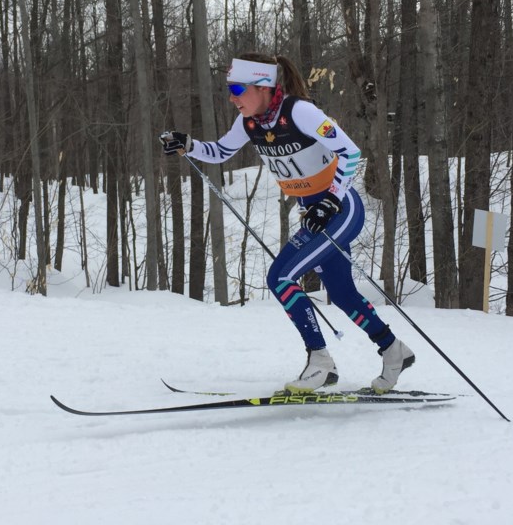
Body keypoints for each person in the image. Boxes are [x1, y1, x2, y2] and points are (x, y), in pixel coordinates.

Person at [160, 53, 414, 394]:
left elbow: (350, 152)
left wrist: (331, 199)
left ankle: (320, 361)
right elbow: (220, 152)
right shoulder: (250, 122)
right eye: (229, 89)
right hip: (314, 212)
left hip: (339, 209)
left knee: (280, 277)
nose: (232, 97)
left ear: (263, 86)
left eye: (238, 88)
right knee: (341, 293)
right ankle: (393, 350)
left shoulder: (300, 112)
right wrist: (188, 145)